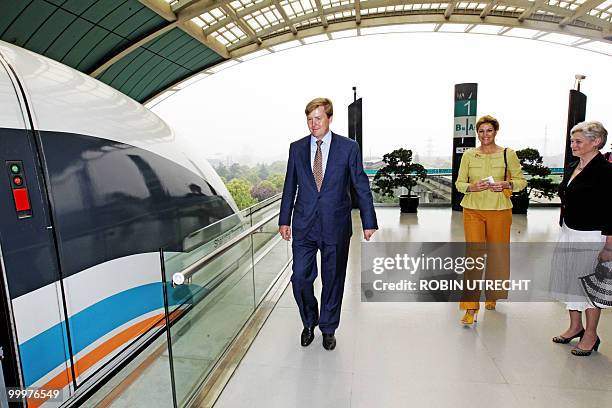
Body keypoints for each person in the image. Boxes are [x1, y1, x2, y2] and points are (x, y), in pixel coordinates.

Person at [278, 98, 378, 350]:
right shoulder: (297, 148)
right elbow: (290, 185)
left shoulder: (348, 147)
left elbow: (360, 184)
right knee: (300, 277)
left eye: (318, 119)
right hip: (304, 224)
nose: (313, 124)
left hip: (336, 224)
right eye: (309, 120)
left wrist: (369, 220)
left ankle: (328, 327)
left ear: (330, 118)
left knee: (333, 279)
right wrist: (284, 219)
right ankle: (309, 321)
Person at [455, 115, 527, 325]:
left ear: (496, 132)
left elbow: (521, 181)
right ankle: (470, 307)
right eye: (481, 131)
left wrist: (507, 184)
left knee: (498, 254)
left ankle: (493, 295)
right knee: (473, 257)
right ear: (477, 133)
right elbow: (459, 183)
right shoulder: (469, 155)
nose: (485, 135)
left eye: (489, 131)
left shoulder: (508, 154)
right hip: (473, 210)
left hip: (499, 210)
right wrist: (471, 187)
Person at [550, 120, 612, 356]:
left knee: (589, 285)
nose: (573, 145)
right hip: (569, 230)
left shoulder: (606, 172)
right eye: (572, 141)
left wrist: (609, 245)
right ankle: (575, 326)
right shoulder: (572, 167)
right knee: (569, 279)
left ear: (596, 141)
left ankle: (591, 334)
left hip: (592, 234)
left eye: (578, 141)